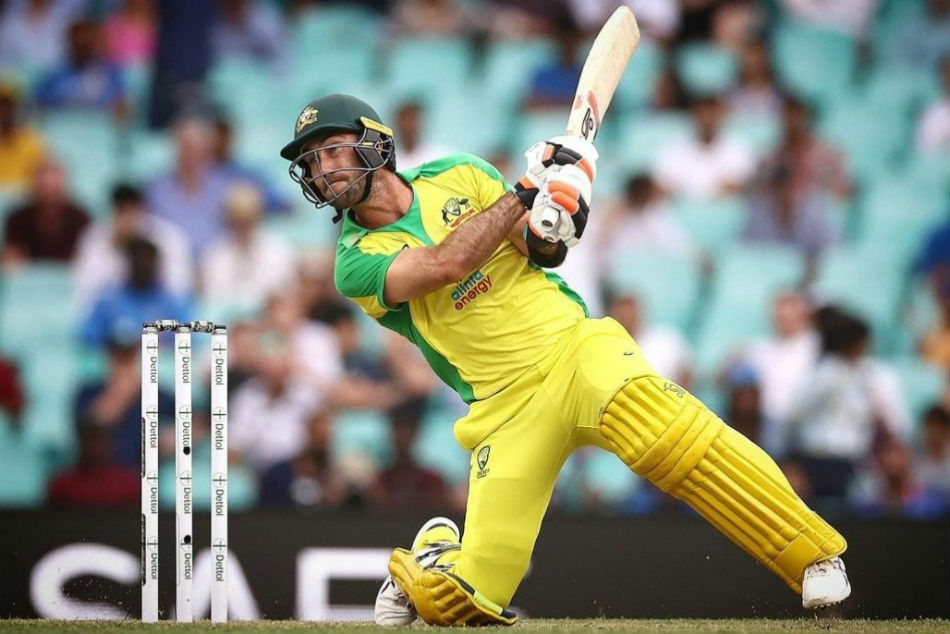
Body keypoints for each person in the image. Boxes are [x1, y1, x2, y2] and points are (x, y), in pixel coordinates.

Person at [279, 93, 851, 627]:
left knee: (667, 435)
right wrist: (527, 188)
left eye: (332, 149)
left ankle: (813, 555)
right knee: (463, 601)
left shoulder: (458, 173)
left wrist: (557, 220)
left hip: (574, 350)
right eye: (312, 160)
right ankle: (433, 557)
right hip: (503, 410)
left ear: (375, 143)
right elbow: (445, 266)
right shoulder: (353, 261)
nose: (323, 168)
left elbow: (537, 250)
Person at [73, 182, 192, 310]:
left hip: (159, 309)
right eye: (122, 211)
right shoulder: (96, 237)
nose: (128, 219)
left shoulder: (167, 237)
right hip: (114, 311)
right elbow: (86, 289)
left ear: (142, 210)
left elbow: (179, 286)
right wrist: (114, 248)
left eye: (132, 210)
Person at [200, 181, 295, 309]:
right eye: (238, 220)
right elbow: (213, 298)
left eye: (248, 219)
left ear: (258, 216)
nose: (243, 225)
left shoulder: (278, 250)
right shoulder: (214, 253)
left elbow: (282, 295)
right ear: (229, 219)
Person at [651, 94, 755, 201]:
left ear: (722, 117)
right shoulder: (674, 148)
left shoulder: (738, 147)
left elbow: (738, 185)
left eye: (712, 115)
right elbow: (664, 185)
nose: (707, 120)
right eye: (702, 115)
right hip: (683, 207)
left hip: (724, 207)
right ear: (693, 117)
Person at [2, 158, 90, 265]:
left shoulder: (81, 219)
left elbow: (87, 260)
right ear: (34, 189)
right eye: (44, 188)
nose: (49, 196)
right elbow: (10, 258)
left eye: (54, 190)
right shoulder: (17, 219)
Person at [33, 19, 126, 114]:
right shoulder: (55, 76)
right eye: (78, 43)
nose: (82, 47)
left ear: (94, 43)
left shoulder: (110, 73)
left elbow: (121, 107)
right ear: (70, 43)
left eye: (86, 43)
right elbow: (38, 105)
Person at [0, 79, 46, 189]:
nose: (5, 111)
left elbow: (41, 180)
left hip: (22, 197)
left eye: (9, 105)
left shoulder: (32, 141)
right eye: (1, 105)